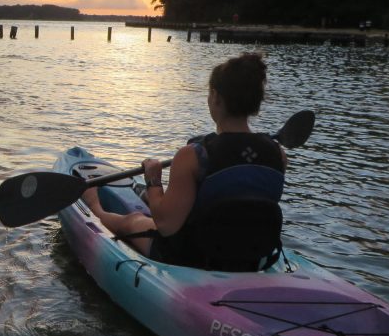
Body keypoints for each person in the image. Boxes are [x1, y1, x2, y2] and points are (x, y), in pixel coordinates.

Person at [83, 52, 287, 271]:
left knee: (133, 220)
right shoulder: (278, 154)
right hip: (253, 257)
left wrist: (153, 180)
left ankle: (95, 210)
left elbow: (165, 226)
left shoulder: (193, 156)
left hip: (191, 257)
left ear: (216, 97)